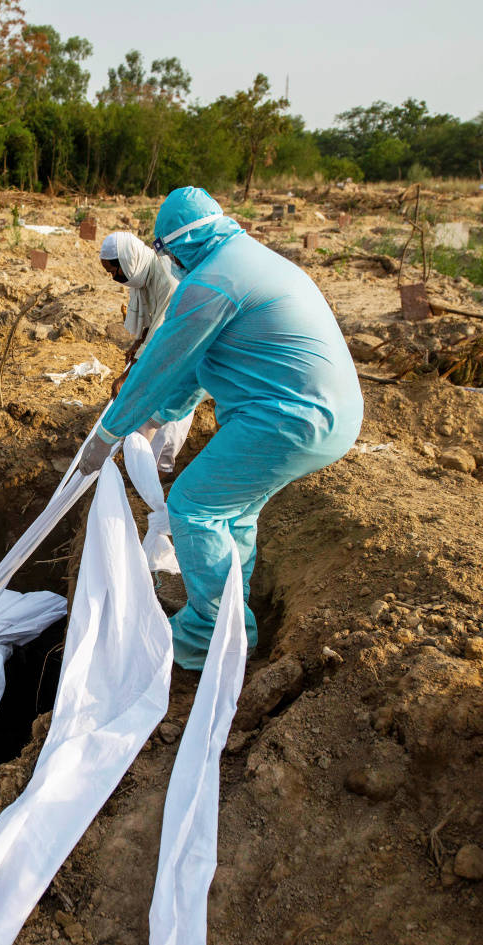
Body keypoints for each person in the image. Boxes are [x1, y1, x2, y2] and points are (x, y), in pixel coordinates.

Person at [79, 187, 363, 669]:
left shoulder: (211, 283)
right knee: (233, 515)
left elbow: (161, 363)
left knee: (192, 505)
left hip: (290, 418)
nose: (167, 261)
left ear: (177, 244)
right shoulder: (247, 260)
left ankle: (207, 635)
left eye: (165, 250)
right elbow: (197, 368)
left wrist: (109, 432)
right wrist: (155, 417)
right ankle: (233, 618)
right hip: (326, 414)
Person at [99, 230, 193, 475]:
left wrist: (126, 377)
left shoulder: (167, 277)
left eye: (114, 270)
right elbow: (153, 322)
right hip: (168, 344)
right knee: (150, 404)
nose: (113, 277)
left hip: (188, 348)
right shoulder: (145, 275)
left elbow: (161, 333)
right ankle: (144, 468)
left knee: (172, 407)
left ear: (128, 261)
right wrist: (138, 343)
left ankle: (160, 471)